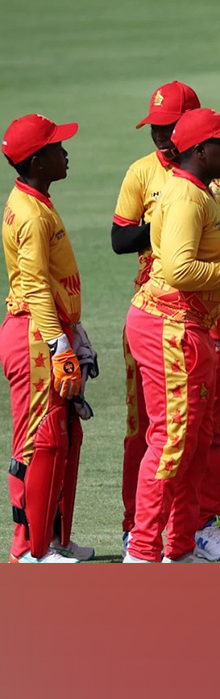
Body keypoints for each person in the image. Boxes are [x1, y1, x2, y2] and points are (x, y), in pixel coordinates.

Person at [123, 108, 220, 562]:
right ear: (202, 151)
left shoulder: (200, 190)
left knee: (192, 441)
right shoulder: (187, 198)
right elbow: (180, 269)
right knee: (172, 441)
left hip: (184, 325)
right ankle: (142, 552)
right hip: (170, 326)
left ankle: (179, 549)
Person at [111, 81, 204, 557]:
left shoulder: (215, 165)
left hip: (207, 313)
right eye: (155, 129)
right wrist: (170, 222)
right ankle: (137, 529)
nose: (161, 138)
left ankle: (196, 529)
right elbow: (119, 240)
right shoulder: (142, 173)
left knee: (201, 429)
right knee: (145, 426)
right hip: (158, 311)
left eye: (169, 128)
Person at [3, 114, 95, 563]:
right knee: (35, 442)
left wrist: (75, 331)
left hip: (48, 329)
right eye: (57, 147)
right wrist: (60, 343)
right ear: (38, 160)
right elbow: (37, 285)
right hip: (36, 335)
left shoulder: (35, 200)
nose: (66, 153)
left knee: (62, 436)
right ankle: (28, 551)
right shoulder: (32, 215)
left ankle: (54, 540)